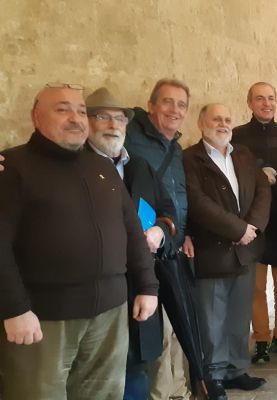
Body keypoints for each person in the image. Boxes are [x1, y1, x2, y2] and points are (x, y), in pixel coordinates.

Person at [0, 84, 158, 400]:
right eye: (62, 109)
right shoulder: (12, 167)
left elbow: (131, 231)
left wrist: (147, 286)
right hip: (44, 317)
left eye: (81, 110)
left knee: (103, 394)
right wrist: (14, 307)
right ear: (36, 117)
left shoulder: (102, 167)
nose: (75, 118)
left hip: (110, 313)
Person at [84, 87, 177, 400]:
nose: (113, 125)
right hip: (94, 289)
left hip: (139, 283)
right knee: (94, 372)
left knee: (136, 367)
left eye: (120, 119)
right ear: (87, 122)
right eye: (103, 117)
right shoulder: (73, 166)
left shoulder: (139, 167)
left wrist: (161, 232)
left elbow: (167, 211)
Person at [183, 104, 271, 400]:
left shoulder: (243, 155)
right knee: (212, 318)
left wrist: (253, 228)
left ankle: (236, 369)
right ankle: (214, 375)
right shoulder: (190, 159)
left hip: (245, 250)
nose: (223, 124)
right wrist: (237, 230)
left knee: (238, 315)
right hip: (213, 251)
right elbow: (197, 202)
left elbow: (263, 191)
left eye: (227, 119)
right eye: (216, 119)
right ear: (201, 123)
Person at [124, 78, 193, 399]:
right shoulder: (132, 138)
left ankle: (177, 389)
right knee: (154, 333)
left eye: (181, 105)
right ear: (150, 106)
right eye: (167, 102)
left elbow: (175, 198)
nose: (174, 110)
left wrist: (184, 232)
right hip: (141, 251)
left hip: (170, 244)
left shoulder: (175, 148)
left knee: (177, 329)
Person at [231, 82, 277, 362]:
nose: (266, 103)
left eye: (271, 98)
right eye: (260, 99)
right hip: (253, 220)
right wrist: (259, 172)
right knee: (256, 286)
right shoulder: (237, 136)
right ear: (249, 103)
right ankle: (261, 337)